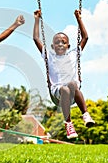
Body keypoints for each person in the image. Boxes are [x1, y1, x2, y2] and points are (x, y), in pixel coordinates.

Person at [33, 9, 95, 139]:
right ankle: (68, 124)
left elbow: (85, 37)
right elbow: (36, 38)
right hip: (57, 94)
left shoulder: (73, 54)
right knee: (64, 88)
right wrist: (37, 20)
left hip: (73, 94)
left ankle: (85, 115)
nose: (60, 44)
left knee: (72, 84)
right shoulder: (49, 56)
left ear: (68, 45)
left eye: (63, 42)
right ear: (52, 46)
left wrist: (78, 18)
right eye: (57, 42)